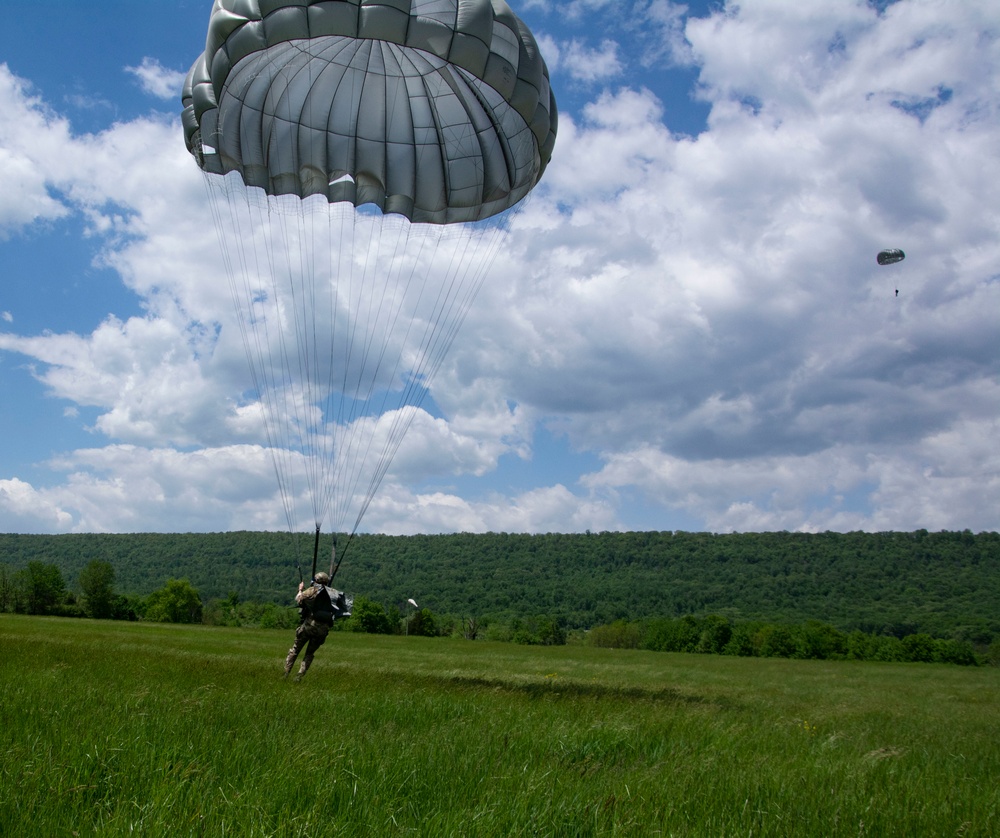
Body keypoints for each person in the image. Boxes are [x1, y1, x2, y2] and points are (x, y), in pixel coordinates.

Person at [284, 571, 351, 681]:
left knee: (295, 650)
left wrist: (300, 589)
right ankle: (299, 676)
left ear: (316, 580)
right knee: (309, 654)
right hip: (322, 630)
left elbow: (299, 600)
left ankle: (286, 673)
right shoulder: (334, 593)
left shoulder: (312, 590)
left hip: (309, 626)